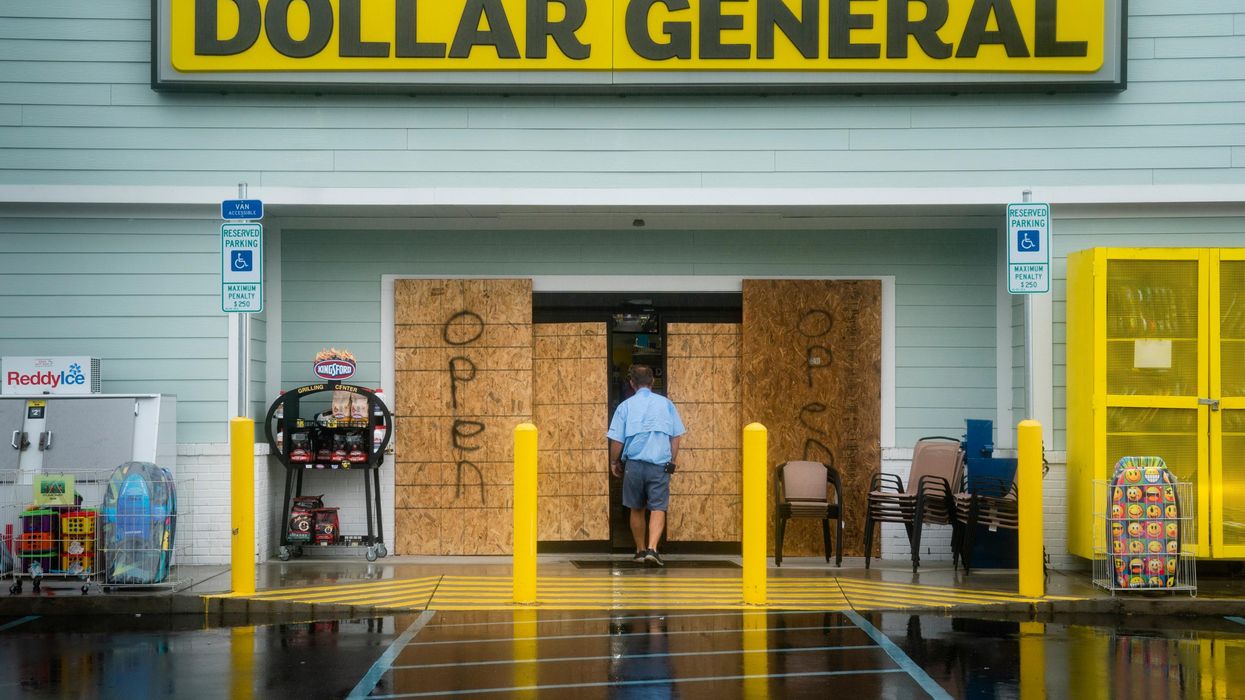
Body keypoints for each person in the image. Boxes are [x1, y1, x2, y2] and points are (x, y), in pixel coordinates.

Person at [607, 365, 685, 567]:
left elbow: (617, 441)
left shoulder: (625, 407)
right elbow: (676, 436)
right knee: (658, 507)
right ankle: (653, 549)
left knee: (636, 508)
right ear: (652, 382)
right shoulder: (666, 405)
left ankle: (640, 550)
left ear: (632, 383)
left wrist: (614, 461)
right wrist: (672, 461)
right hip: (659, 464)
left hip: (634, 465)